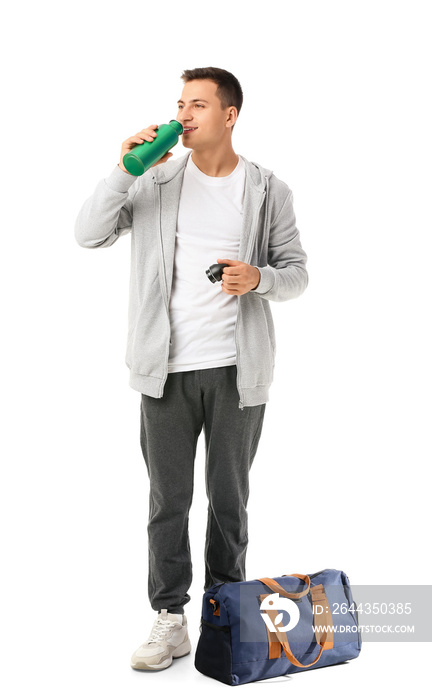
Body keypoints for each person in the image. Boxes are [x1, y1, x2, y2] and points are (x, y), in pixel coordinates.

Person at [74, 66, 308, 672]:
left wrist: (259, 278)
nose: (183, 114)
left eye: (198, 104)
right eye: (180, 103)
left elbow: (297, 272)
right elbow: (87, 234)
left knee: (229, 501)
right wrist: (123, 171)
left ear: (229, 115)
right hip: (165, 372)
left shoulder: (267, 189)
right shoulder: (152, 181)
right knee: (167, 501)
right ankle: (170, 620)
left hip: (237, 372)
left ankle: (224, 613)